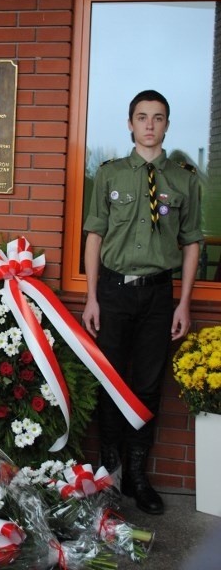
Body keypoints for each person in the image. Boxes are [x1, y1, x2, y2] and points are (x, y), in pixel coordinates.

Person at [82, 90, 202, 515]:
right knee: (112, 382)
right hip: (113, 292)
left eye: (158, 118)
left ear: (167, 125)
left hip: (158, 294)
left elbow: (191, 244)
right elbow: (94, 236)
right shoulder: (110, 175)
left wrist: (183, 304)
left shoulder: (185, 179)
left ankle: (137, 473)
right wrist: (92, 296)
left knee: (148, 386)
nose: (149, 125)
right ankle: (110, 471)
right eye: (141, 117)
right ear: (129, 124)